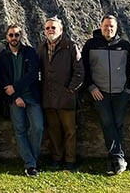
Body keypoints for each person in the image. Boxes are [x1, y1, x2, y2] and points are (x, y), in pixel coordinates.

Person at [81, 14, 130, 175]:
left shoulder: (125, 45)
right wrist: (91, 87)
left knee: (117, 124)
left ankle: (114, 160)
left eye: (111, 26)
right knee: (108, 123)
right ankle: (118, 159)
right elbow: (84, 68)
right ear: (101, 26)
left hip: (121, 92)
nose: (108, 29)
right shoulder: (91, 45)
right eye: (106, 26)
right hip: (100, 92)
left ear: (116, 27)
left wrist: (128, 89)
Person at [37, 16, 84, 171]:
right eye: (48, 28)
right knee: (53, 130)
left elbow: (79, 72)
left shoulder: (71, 47)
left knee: (70, 130)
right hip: (49, 97)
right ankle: (56, 159)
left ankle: (70, 160)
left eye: (53, 28)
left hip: (66, 98)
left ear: (61, 30)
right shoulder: (42, 47)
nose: (50, 30)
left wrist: (70, 90)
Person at [0, 24, 44, 177]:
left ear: (21, 36)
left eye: (16, 35)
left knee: (38, 127)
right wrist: (15, 96)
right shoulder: (3, 56)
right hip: (14, 99)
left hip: (31, 96)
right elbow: (3, 79)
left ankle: (32, 160)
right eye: (11, 35)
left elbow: (32, 74)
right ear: (7, 37)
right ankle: (31, 165)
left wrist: (16, 88)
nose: (14, 38)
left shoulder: (30, 52)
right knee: (20, 131)